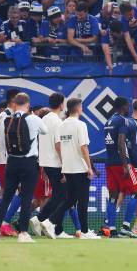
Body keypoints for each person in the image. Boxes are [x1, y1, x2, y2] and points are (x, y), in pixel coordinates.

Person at [0, 92, 48, 243]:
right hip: (29, 163)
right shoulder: (34, 119)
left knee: (6, 197)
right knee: (26, 197)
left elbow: (1, 141)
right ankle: (23, 233)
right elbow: (45, 131)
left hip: (11, 162)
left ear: (14, 104)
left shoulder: (5, 119)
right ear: (28, 104)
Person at [40, 98, 100, 239]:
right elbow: (83, 147)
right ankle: (85, 232)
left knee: (70, 199)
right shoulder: (80, 125)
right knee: (82, 201)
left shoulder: (62, 125)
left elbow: (59, 146)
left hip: (67, 168)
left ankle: (50, 221)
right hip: (80, 168)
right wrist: (89, 167)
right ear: (79, 109)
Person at [30, 92, 77, 239]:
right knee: (64, 197)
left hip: (46, 164)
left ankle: (47, 224)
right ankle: (47, 222)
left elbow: (41, 143)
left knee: (58, 196)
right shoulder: (57, 122)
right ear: (62, 104)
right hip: (56, 164)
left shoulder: (44, 119)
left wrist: (42, 165)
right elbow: (58, 145)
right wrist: (65, 166)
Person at [100, 97, 137, 238]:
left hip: (109, 163)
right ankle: (126, 226)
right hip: (122, 164)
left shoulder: (108, 121)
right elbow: (122, 142)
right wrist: (127, 164)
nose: (129, 109)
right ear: (124, 107)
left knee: (113, 197)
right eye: (128, 107)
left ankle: (113, 229)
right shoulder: (124, 121)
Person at [0, 88, 21, 237]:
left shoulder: (7, 115)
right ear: (14, 100)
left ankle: (1, 224)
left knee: (7, 191)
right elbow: (5, 140)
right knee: (12, 191)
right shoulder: (6, 115)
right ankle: (2, 223)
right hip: (7, 159)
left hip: (5, 158)